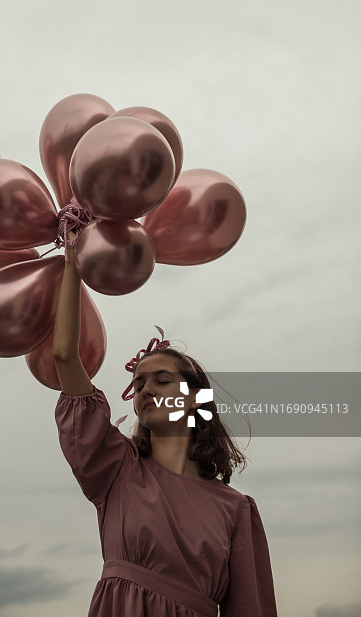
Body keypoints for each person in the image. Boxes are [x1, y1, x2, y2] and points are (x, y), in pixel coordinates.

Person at [53, 234, 278, 617]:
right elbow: (64, 356)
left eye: (161, 380)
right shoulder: (116, 470)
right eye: (138, 384)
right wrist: (73, 265)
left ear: (193, 398)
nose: (146, 390)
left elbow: (250, 608)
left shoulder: (236, 509)